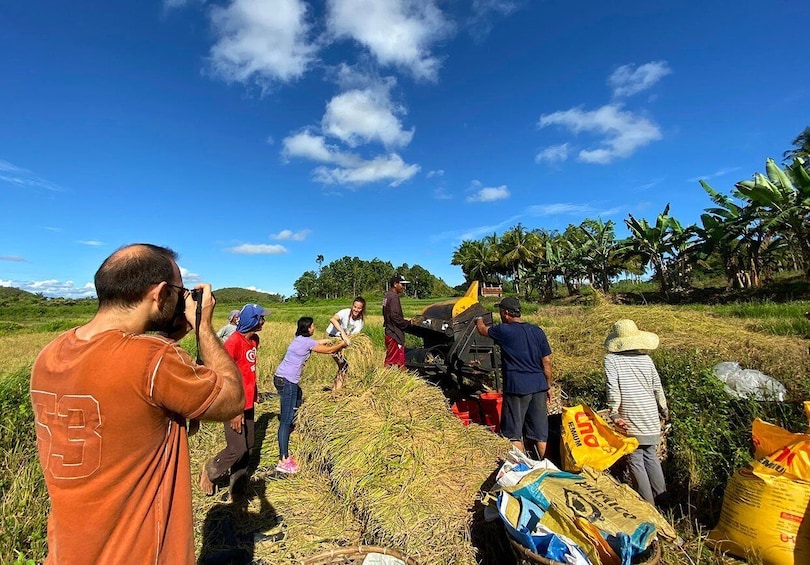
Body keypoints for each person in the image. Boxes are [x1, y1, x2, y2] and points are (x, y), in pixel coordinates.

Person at [29, 243, 244, 564]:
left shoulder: (50, 354)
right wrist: (201, 325)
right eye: (178, 290)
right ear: (159, 294)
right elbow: (231, 399)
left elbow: (130, 396)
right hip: (142, 553)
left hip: (69, 551)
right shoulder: (154, 360)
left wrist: (169, 339)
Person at [199, 303, 271, 496]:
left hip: (247, 402)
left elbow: (246, 371)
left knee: (248, 446)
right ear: (253, 320)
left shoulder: (254, 340)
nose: (264, 321)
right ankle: (211, 471)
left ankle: (237, 485)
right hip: (233, 404)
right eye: (261, 318)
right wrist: (235, 409)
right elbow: (224, 377)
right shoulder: (233, 343)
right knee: (236, 448)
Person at [475, 297, 552, 459]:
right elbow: (547, 361)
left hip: (517, 387)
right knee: (540, 433)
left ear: (506, 313)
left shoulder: (504, 330)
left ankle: (523, 469)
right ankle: (547, 470)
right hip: (539, 386)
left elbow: (482, 330)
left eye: (500, 311)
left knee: (513, 433)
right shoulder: (537, 331)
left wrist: (478, 317)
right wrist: (548, 386)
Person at [604, 318, 669, 505]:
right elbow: (657, 387)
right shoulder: (646, 359)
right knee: (651, 456)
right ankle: (663, 500)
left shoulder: (611, 360)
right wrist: (663, 408)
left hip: (630, 415)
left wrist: (614, 412)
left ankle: (648, 505)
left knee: (635, 459)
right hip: (649, 414)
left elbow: (613, 388)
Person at [274, 317, 348, 473]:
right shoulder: (307, 342)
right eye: (313, 325)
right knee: (285, 420)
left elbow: (317, 343)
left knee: (298, 395)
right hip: (287, 381)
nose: (314, 327)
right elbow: (328, 351)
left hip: (280, 378)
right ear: (308, 328)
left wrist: (326, 340)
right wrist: (343, 343)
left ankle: (294, 422)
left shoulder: (300, 339)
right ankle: (283, 460)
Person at [326, 296, 366, 390]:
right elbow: (333, 319)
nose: (356, 309)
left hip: (342, 342)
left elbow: (352, 337)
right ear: (352, 306)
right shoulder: (345, 312)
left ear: (362, 309)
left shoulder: (359, 322)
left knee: (343, 366)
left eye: (359, 308)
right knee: (343, 365)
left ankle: (335, 390)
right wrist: (342, 332)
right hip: (332, 338)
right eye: (355, 307)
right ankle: (336, 391)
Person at [382, 274, 411, 368]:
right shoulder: (394, 297)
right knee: (397, 361)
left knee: (391, 358)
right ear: (395, 284)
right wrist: (407, 323)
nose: (403, 287)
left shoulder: (387, 295)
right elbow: (394, 316)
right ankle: (402, 380)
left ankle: (388, 379)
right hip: (395, 334)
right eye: (402, 284)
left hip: (389, 331)